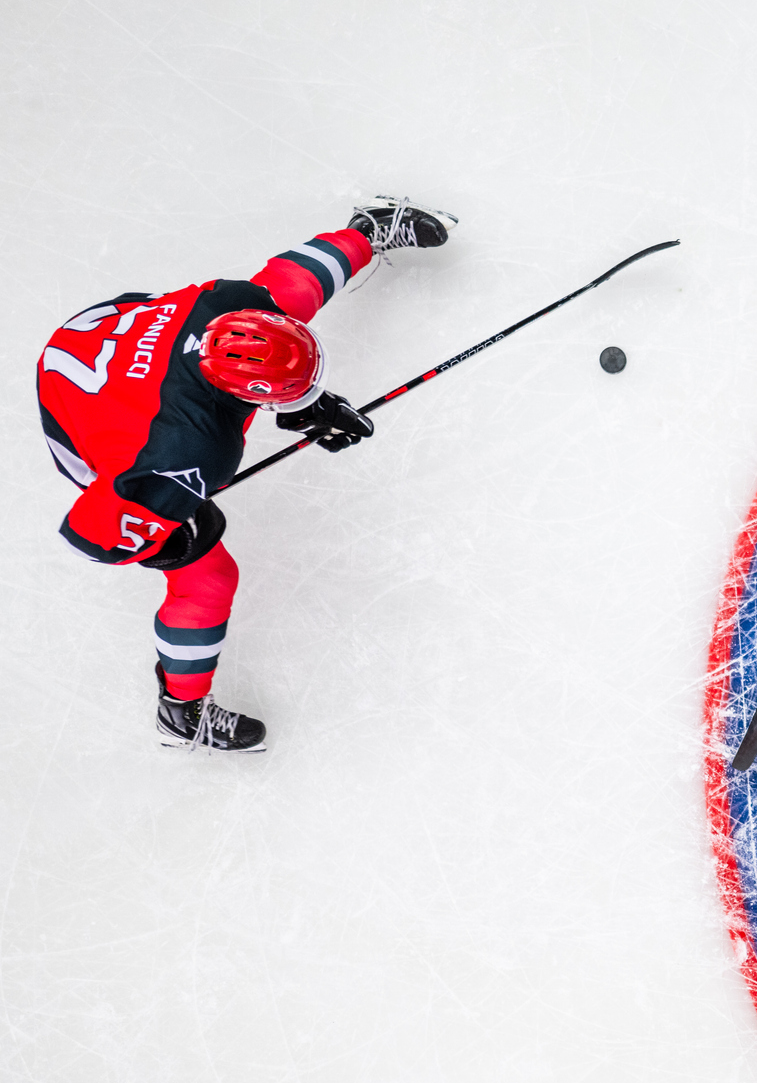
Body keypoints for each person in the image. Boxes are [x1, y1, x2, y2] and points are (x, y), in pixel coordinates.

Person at [37, 199, 456, 751]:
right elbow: (93, 539)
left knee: (285, 296)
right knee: (209, 579)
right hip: (77, 420)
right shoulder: (183, 456)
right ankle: (181, 711)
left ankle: (365, 231)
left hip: (99, 339)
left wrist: (304, 404)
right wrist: (171, 539)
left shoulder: (235, 303)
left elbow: (288, 283)